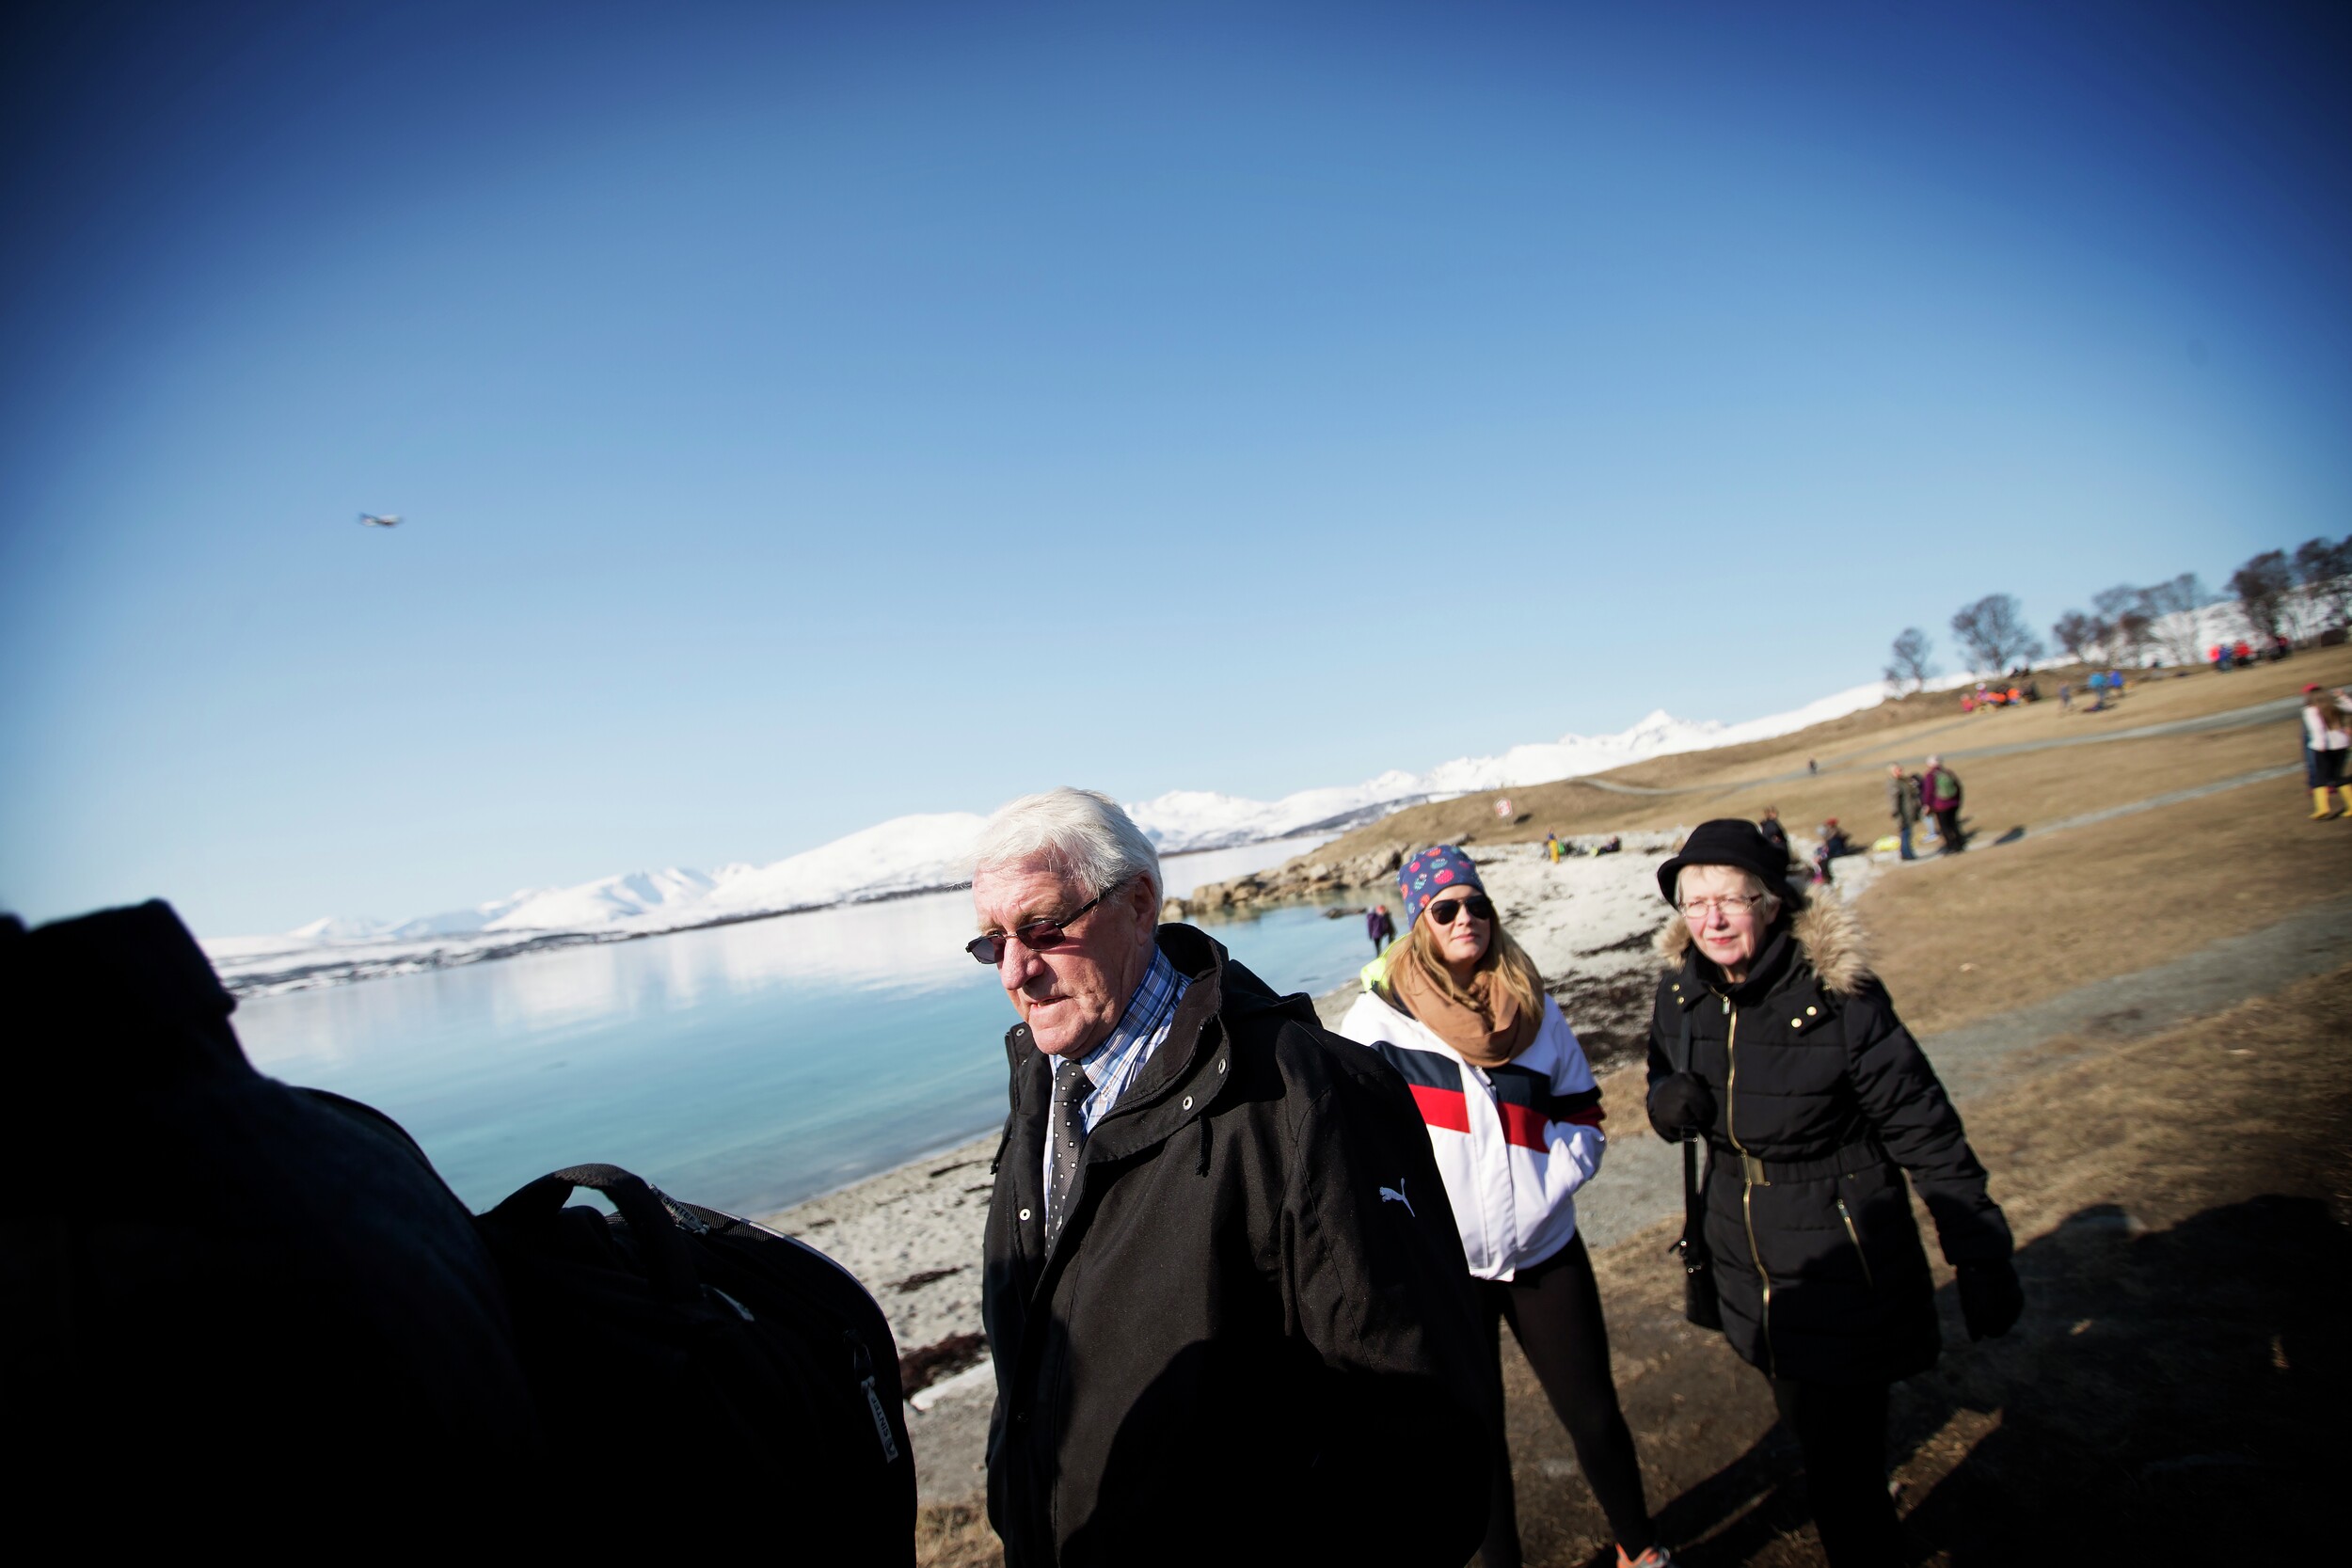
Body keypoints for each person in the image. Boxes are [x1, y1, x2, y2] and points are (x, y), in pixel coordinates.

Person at [970, 789, 1495, 1567]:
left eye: (1044, 926)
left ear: (1140, 901)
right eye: (991, 941)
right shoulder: (1044, 1087)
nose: (1016, 971)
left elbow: (1423, 1448)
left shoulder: (1305, 1095)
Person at [1645, 821, 2020, 1567]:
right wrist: (1664, 1102)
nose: (1711, 919)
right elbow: (1660, 1072)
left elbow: (1926, 1129)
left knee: (1844, 1476)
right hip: (1744, 1254)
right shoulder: (1679, 989)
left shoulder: (1840, 997)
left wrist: (1980, 1253)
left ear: (1773, 902)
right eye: (1695, 902)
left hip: (1842, 1253)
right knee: (1816, 1445)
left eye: (1730, 899)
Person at [1336, 846, 1673, 1568]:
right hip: (1446, 1270)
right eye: (1446, 908)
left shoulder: (1535, 1007)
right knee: (1475, 1440)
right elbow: (1347, 1142)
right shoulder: (1377, 1024)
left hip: (1545, 1253)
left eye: (1477, 904)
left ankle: (1640, 1549)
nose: (1467, 919)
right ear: (1416, 920)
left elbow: (1583, 1109)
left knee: (1595, 1416)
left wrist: (1554, 1177)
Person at [2301, 684, 2351, 820]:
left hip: (2323, 746)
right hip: (2342, 743)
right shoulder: (2333, 705)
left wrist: (2320, 745)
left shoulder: (2310, 710)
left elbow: (2317, 729)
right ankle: (2351, 805)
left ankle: (2322, 808)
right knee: (2337, 775)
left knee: (2320, 777)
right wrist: (2343, 697)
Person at [1922, 755, 1963, 853]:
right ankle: (1960, 842)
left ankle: (1952, 845)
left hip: (1940, 805)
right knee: (1953, 823)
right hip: (1953, 803)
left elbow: (1929, 791)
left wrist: (1927, 804)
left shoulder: (1930, 775)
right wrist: (1957, 800)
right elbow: (1958, 786)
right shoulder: (1947, 772)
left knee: (1944, 826)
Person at [1885, 765, 1921, 862]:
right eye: (1898, 770)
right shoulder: (1894, 784)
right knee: (1905, 832)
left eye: (1901, 769)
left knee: (1908, 833)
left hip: (1909, 811)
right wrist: (1896, 813)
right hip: (1902, 813)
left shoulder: (1904, 781)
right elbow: (1894, 800)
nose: (1900, 772)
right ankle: (1907, 854)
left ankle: (1906, 852)